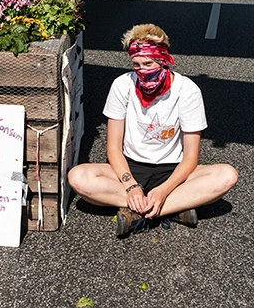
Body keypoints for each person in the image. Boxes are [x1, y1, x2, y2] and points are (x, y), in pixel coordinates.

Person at [67, 24, 239, 238]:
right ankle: (173, 207)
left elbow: (191, 157)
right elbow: (113, 148)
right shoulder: (122, 85)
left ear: (164, 59)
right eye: (136, 64)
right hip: (130, 166)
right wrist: (130, 186)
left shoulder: (187, 90)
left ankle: (140, 212)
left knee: (226, 176)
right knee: (78, 177)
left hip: (173, 170)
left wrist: (164, 189)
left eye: (148, 63)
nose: (142, 70)